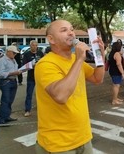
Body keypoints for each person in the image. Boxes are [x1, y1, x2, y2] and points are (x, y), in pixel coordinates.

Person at [34, 19, 105, 154]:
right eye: (64, 30)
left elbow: (97, 78)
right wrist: (79, 59)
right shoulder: (45, 64)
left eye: (72, 29)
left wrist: (100, 55)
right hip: (59, 144)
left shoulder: (74, 59)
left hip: (83, 137)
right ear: (51, 39)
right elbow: (61, 96)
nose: (71, 33)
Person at [0, 45, 22, 126]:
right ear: (8, 52)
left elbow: (14, 69)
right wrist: (13, 73)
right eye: (13, 53)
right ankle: (1, 120)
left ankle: (6, 116)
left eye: (15, 53)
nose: (15, 55)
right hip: (6, 82)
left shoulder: (13, 59)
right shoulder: (2, 60)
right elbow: (0, 73)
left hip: (13, 81)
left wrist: (19, 71)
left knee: (10, 100)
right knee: (5, 101)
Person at [22, 40, 44, 117]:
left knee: (42, 94)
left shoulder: (40, 53)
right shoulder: (27, 54)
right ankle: (27, 110)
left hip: (40, 77)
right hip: (31, 77)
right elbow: (24, 66)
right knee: (29, 94)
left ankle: (42, 108)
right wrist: (32, 65)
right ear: (30, 46)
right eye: (33, 45)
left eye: (36, 45)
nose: (34, 47)